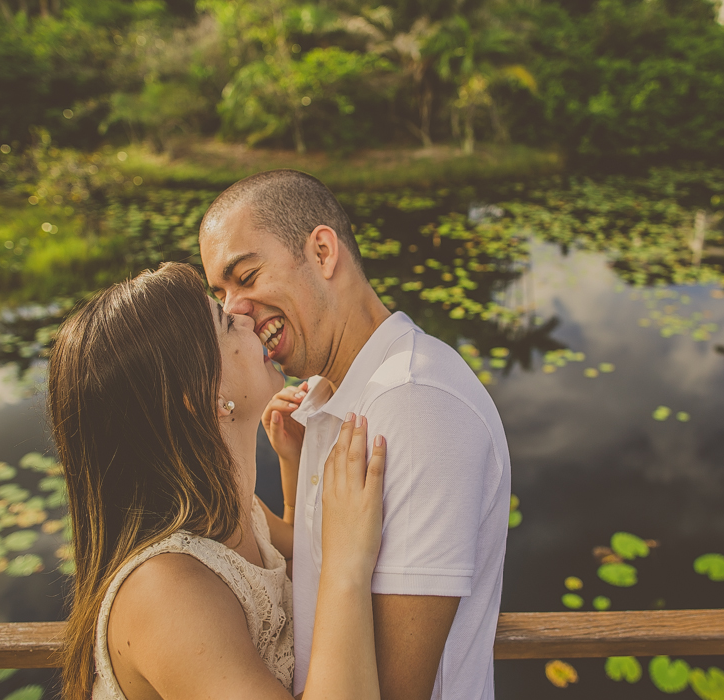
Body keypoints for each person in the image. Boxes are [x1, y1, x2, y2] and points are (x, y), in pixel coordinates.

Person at [200, 170, 512, 700]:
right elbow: (316, 585)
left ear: (323, 252)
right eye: (221, 294)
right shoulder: (327, 395)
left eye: (246, 278)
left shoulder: (414, 404)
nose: (235, 313)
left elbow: (394, 692)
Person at [47, 262, 387, 700]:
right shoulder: (167, 591)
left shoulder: (234, 509)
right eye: (227, 323)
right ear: (204, 396)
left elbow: (295, 562)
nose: (245, 315)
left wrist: (293, 465)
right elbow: (328, 564)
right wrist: (347, 568)